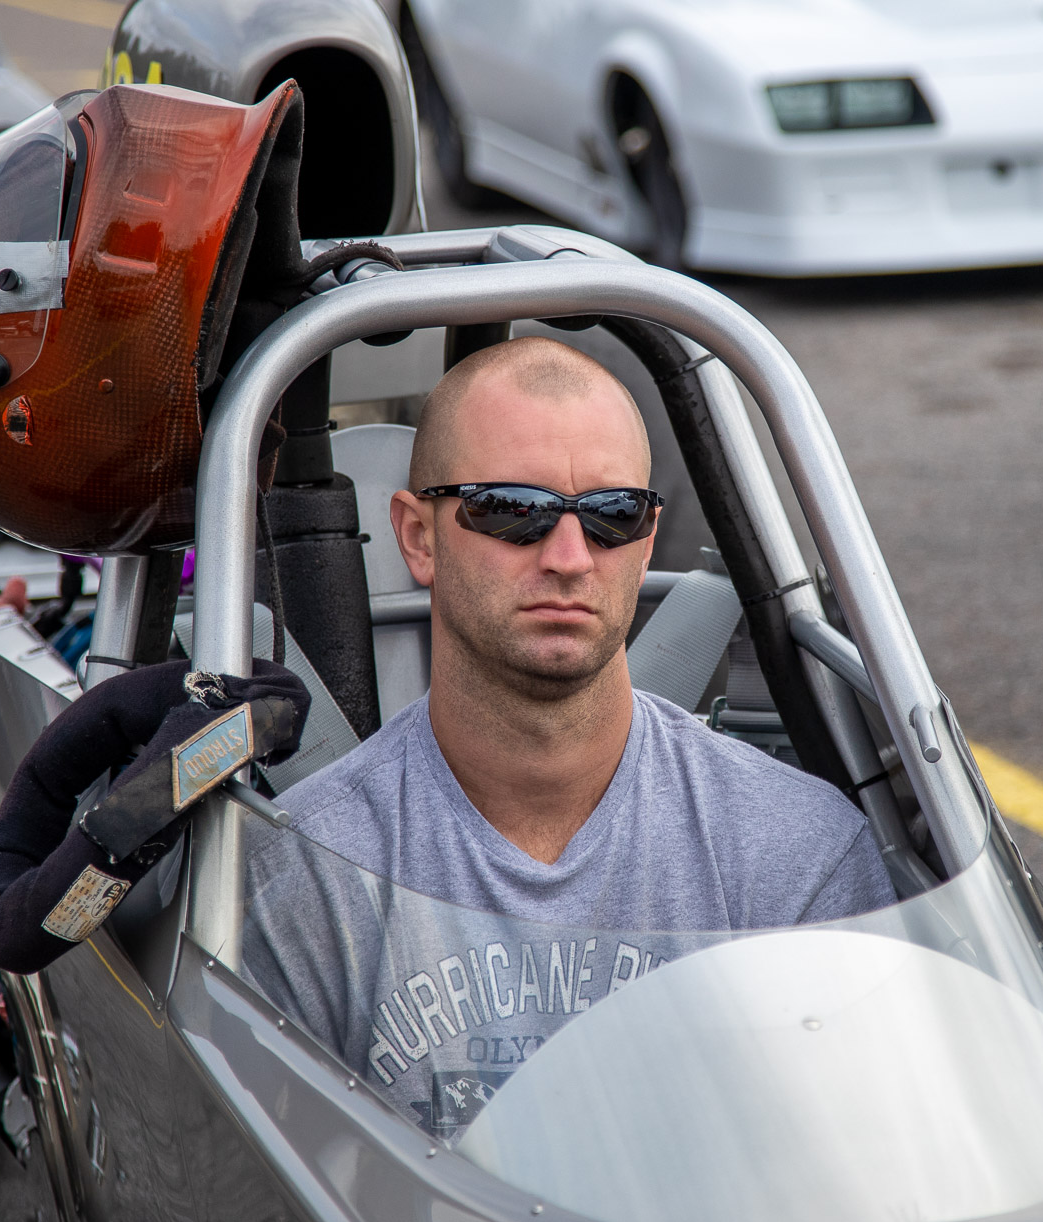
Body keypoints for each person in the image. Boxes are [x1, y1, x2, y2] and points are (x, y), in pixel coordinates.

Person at [241, 336, 895, 1136]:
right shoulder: (307, 877)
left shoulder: (796, 852)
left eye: (613, 515)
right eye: (513, 508)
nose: (570, 557)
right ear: (418, 537)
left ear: (647, 541)